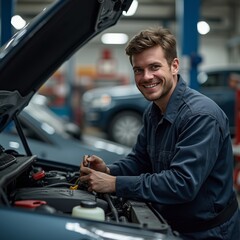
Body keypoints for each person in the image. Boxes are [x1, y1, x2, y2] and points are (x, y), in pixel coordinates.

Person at [80, 27, 240, 239]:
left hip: (209, 232)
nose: (146, 77)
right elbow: (140, 160)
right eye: (139, 70)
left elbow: (181, 184)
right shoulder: (153, 111)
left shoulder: (200, 116)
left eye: (154, 67)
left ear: (174, 66)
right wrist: (109, 171)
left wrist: (114, 184)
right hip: (173, 224)